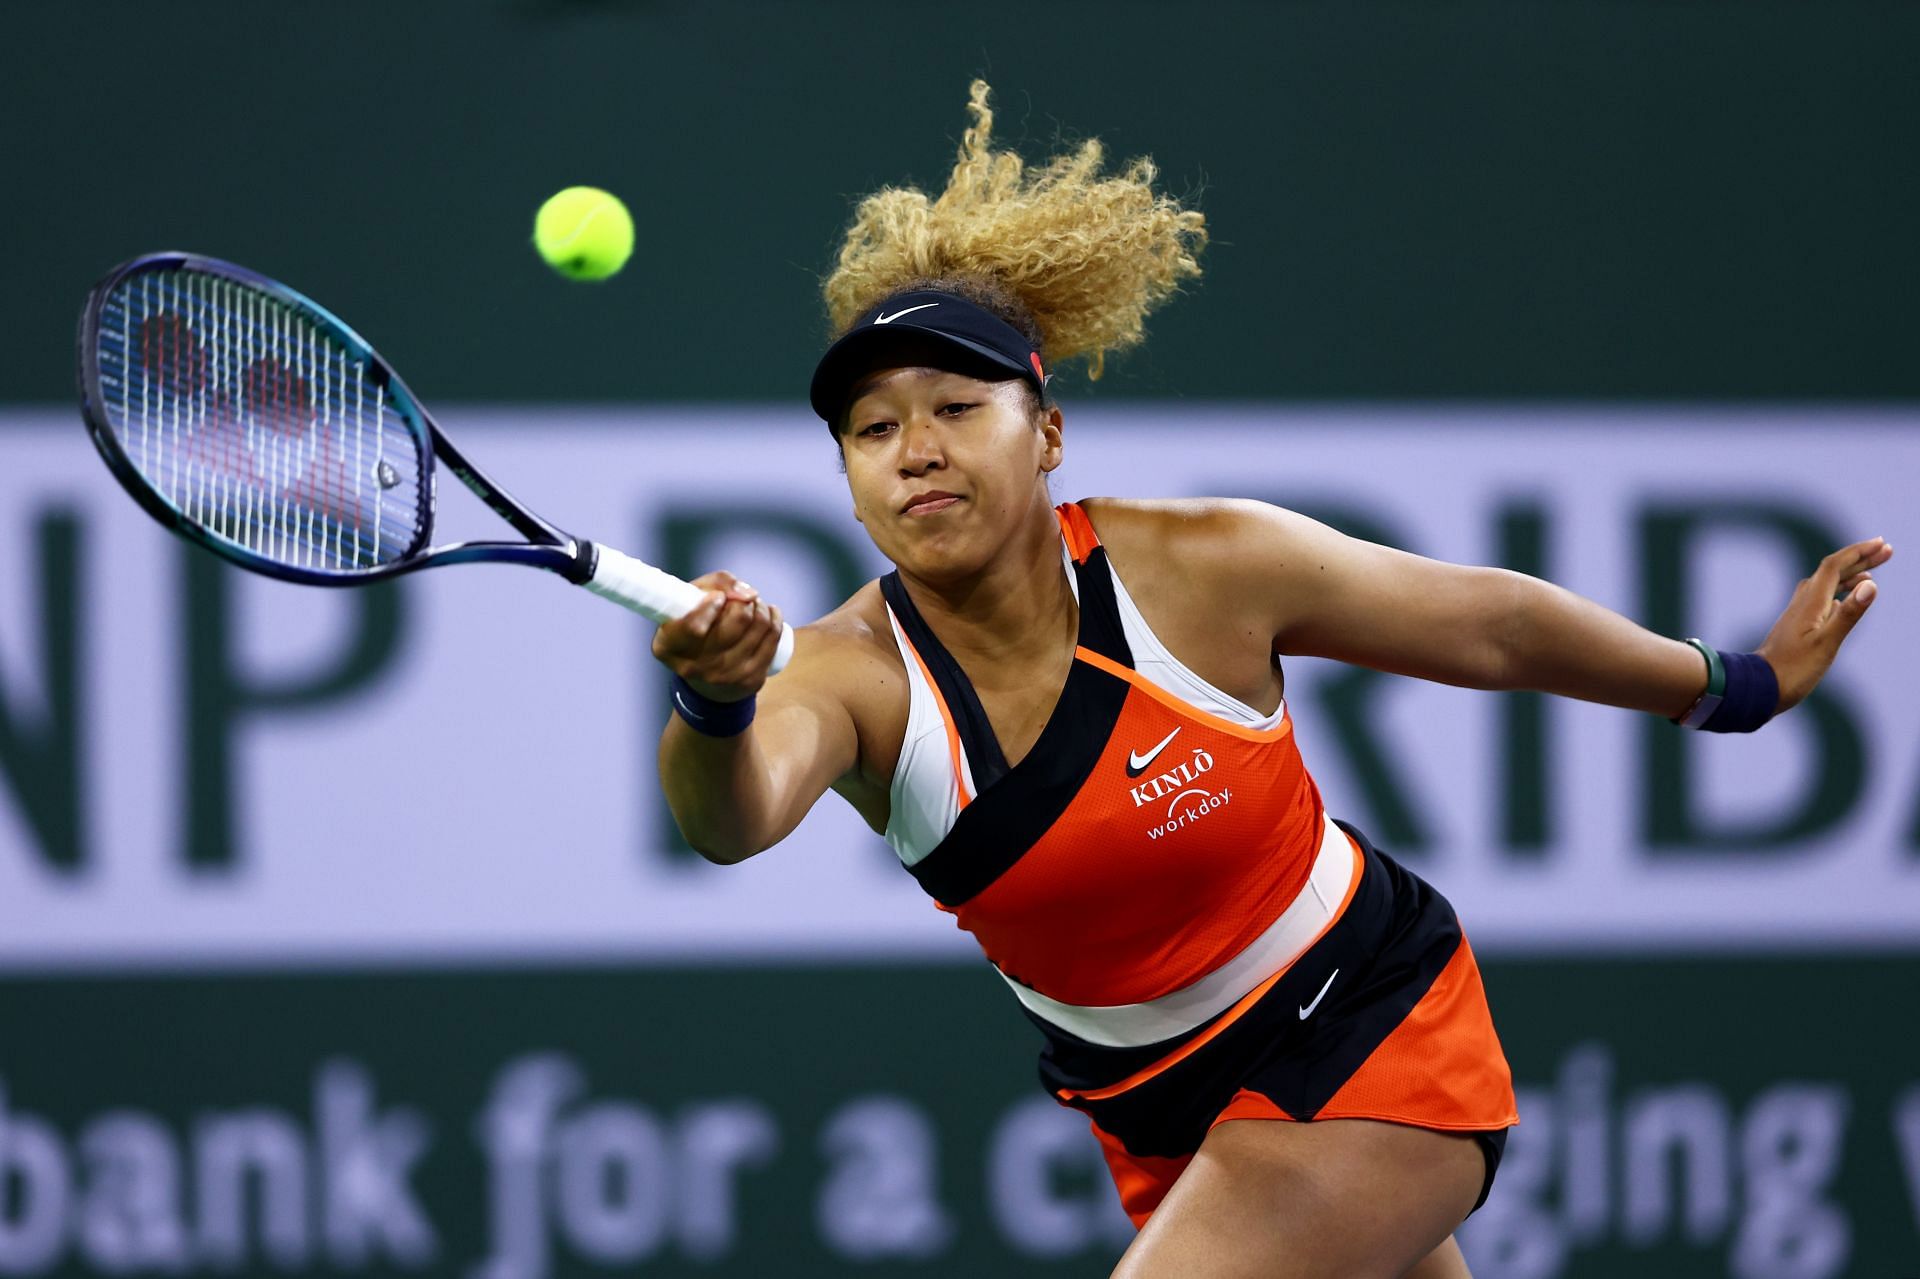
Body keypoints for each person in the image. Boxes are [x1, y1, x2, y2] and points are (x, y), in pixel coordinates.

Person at [650, 82, 1891, 1279]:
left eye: (956, 407)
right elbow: (734, 818)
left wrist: (1734, 684)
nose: (915, 451)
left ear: (1048, 432)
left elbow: (1496, 625)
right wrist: (713, 703)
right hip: (1158, 1107)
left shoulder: (1201, 568)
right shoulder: (851, 671)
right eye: (871, 430)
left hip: (1367, 1023)